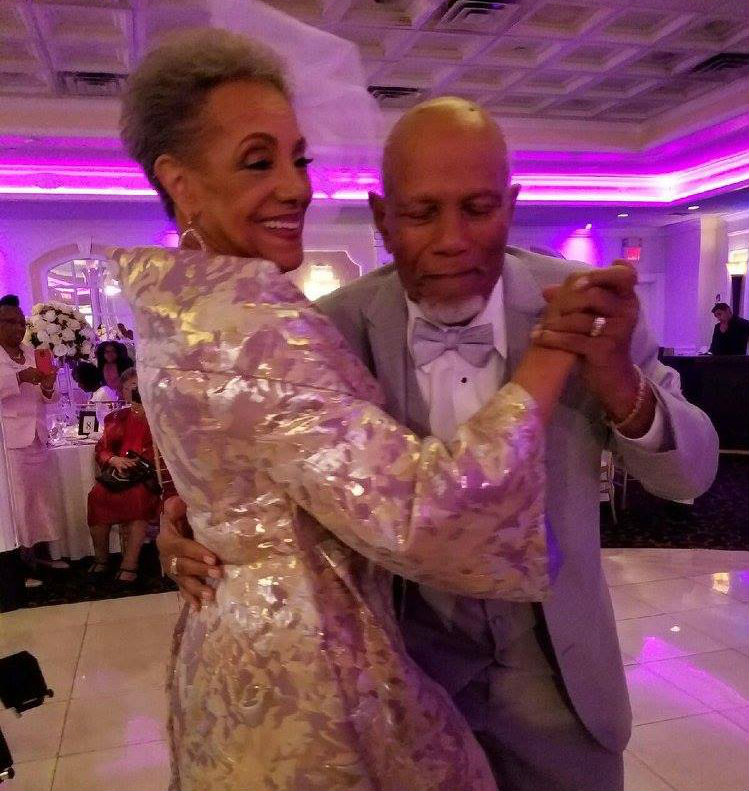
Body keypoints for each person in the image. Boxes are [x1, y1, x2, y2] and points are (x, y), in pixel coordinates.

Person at [164, 97, 720, 791]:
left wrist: (619, 383)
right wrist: (194, 528)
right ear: (382, 219)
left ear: (511, 207)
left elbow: (690, 473)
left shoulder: (580, 307)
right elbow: (265, 482)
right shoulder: (327, 332)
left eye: (478, 209)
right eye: (423, 213)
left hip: (559, 679)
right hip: (400, 679)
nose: (452, 239)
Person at [116, 29, 583, 791]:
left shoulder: (178, 305)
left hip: (236, 648)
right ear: (181, 183)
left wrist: (201, 520)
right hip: (310, 671)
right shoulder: (261, 327)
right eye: (257, 161)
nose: (294, 187)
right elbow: (419, 514)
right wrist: (551, 353)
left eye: (298, 159)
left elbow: (232, 456)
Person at [0, 294, 66, 583]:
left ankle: (39, 554)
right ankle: (19, 564)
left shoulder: (32, 353)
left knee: (40, 500)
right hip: (9, 440)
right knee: (19, 502)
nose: (17, 328)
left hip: (37, 435)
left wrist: (48, 385)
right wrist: (18, 378)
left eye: (20, 323)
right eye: (9, 322)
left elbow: (50, 398)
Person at [86, 367, 159, 583]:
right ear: (123, 392)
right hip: (118, 474)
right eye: (129, 388)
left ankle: (130, 563)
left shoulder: (158, 417)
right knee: (97, 495)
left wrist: (140, 461)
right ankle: (101, 559)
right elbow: (102, 448)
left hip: (145, 474)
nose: (134, 391)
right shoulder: (115, 417)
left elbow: (164, 450)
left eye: (138, 386)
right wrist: (113, 460)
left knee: (138, 496)